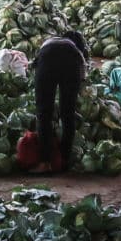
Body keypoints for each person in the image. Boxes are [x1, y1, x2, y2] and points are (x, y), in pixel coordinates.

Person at [31, 30, 89, 174]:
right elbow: (82, 78)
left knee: (44, 113)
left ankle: (45, 163)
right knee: (68, 113)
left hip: (46, 60)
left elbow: (35, 65)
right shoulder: (77, 52)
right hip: (71, 65)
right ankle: (64, 161)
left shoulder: (48, 42)